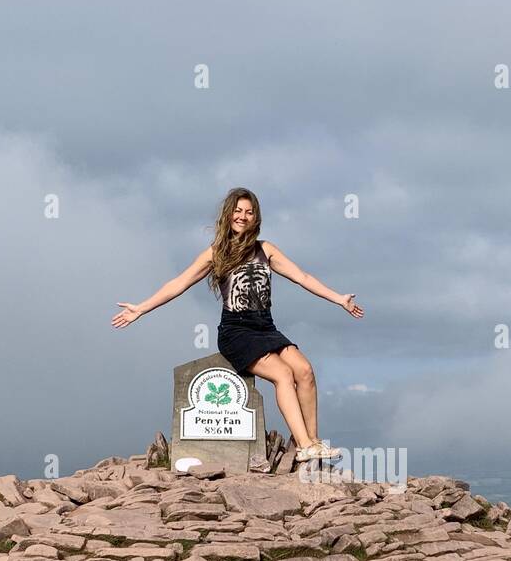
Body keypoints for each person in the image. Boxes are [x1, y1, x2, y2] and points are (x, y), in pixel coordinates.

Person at [112, 187, 363, 462]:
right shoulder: (215, 253)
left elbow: (302, 277)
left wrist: (339, 298)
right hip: (236, 330)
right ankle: (304, 446)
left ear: (255, 218)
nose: (243, 216)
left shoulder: (265, 249)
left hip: (265, 326)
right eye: (238, 210)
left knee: (304, 371)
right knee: (283, 375)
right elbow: (178, 284)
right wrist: (141, 308)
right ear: (229, 214)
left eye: (249, 212)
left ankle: (314, 442)